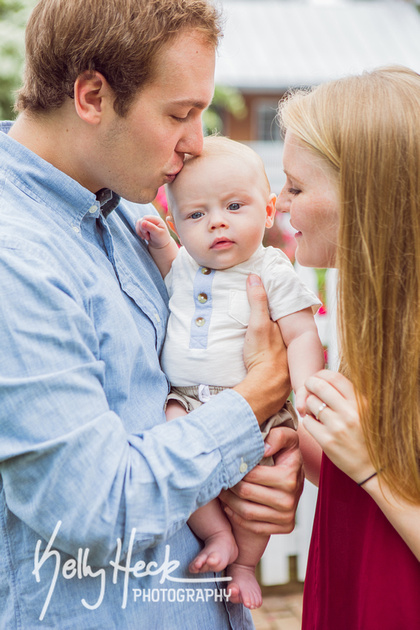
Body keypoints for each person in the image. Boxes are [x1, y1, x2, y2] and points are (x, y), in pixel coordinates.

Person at [0, 1, 305, 628]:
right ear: (91, 96)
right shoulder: (17, 257)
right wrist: (251, 404)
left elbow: (164, 406)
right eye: (180, 113)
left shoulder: (118, 216)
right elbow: (95, 508)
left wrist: (260, 474)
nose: (196, 141)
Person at [136, 135, 324, 609]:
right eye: (195, 215)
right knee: (174, 444)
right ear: (178, 224)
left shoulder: (271, 268)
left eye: (234, 206)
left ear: (268, 209)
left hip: (255, 412)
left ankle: (243, 565)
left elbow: (301, 334)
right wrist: (162, 244)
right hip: (188, 398)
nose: (216, 221)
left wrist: (305, 393)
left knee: (260, 482)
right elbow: (173, 263)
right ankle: (217, 535)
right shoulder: (187, 266)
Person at [276, 65, 420, 630]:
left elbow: (376, 475)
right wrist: (287, 436)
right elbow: (353, 483)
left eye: (295, 185)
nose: (277, 201)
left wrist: (373, 468)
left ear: (365, 197)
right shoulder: (380, 325)